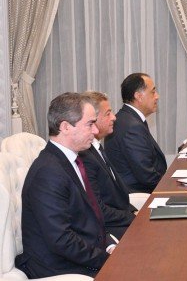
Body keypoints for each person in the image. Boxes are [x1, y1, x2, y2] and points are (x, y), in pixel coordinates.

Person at [16, 92, 115, 278]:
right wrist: (107, 259)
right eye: (90, 124)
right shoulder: (48, 172)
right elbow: (61, 240)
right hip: (60, 268)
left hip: (82, 255)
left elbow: (90, 216)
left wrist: (109, 244)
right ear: (65, 127)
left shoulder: (73, 160)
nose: (95, 131)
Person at [80, 91, 137, 240]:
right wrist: (133, 218)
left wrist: (133, 212)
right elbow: (98, 209)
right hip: (108, 229)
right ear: (93, 119)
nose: (114, 117)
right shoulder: (85, 157)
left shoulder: (97, 147)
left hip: (120, 219)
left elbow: (117, 195)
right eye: (108, 113)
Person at [105, 73, 167, 193]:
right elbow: (147, 176)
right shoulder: (131, 126)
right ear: (138, 96)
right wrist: (171, 186)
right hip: (138, 193)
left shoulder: (128, 118)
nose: (157, 96)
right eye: (153, 92)